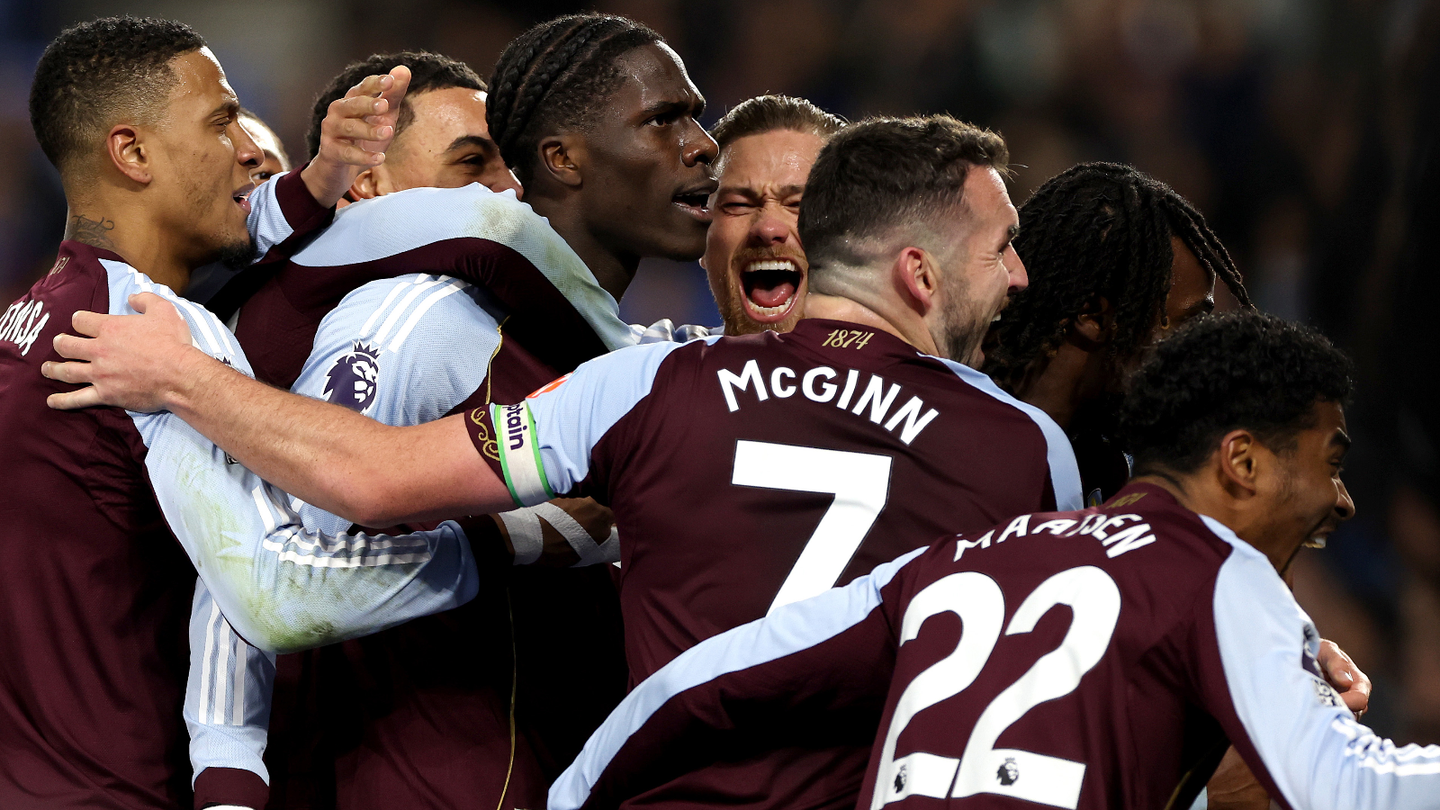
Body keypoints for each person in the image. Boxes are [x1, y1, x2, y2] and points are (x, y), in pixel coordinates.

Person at [45, 114, 1078, 810]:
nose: (1020, 275)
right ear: (915, 269)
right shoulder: (1029, 452)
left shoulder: (643, 392)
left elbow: (368, 480)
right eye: (1002, 247)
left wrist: (186, 379)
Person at [546, 311, 1437, 810]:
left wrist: (568, 799)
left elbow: (696, 684)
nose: (1342, 498)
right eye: (1330, 460)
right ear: (1241, 462)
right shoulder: (1209, 569)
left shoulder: (947, 561)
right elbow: (1348, 789)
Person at [192, 35, 706, 809]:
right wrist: (228, 778)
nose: (507, 190)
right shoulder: (415, 317)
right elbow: (264, 568)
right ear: (367, 184)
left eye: (508, 164)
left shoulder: (537, 319)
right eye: (472, 164)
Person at [0, 16, 424, 810]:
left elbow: (246, 222)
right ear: (132, 153)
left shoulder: (33, 316)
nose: (243, 151)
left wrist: (323, 176)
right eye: (221, 121)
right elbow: (271, 589)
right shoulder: (158, 339)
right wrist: (509, 539)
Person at [983, 162, 1251, 506]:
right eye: (1190, 324)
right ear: (1093, 316)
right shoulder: (958, 449)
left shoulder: (1111, 469)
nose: (1204, 352)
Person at [700, 94, 844, 335]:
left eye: (799, 204)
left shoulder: (910, 371)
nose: (767, 228)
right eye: (738, 204)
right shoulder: (650, 365)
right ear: (701, 237)